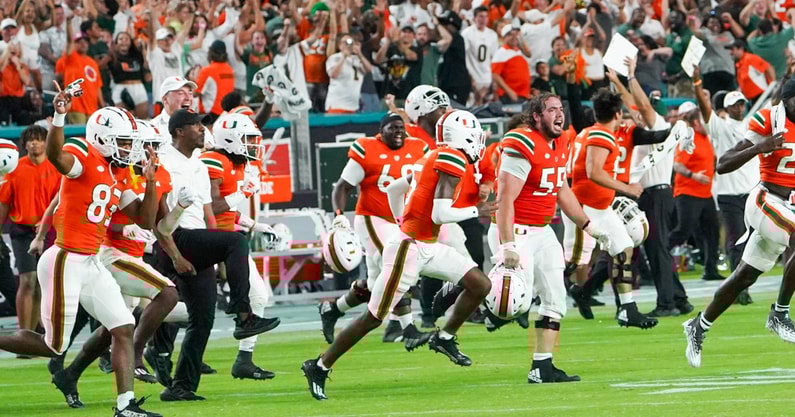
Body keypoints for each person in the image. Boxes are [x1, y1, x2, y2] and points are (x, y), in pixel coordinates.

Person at [301, 110, 494, 400]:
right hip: (409, 249)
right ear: (463, 136)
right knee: (374, 317)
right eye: (475, 134)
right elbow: (440, 214)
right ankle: (319, 365)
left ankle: (444, 337)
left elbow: (394, 188)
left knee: (480, 284)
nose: (479, 141)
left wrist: (399, 220)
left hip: (426, 244)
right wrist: (475, 211)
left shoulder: (432, 156)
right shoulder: (452, 158)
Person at [0, 87, 162, 417]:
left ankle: (125, 406)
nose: (129, 148)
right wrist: (59, 117)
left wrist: (150, 182)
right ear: (102, 138)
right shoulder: (84, 154)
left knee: (123, 326)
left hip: (91, 261)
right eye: (123, 141)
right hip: (65, 259)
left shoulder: (119, 173)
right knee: (53, 345)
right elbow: (57, 156)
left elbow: (145, 219)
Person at [152, 109, 279, 401]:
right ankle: (243, 314)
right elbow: (159, 215)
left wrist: (216, 254)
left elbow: (209, 212)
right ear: (179, 131)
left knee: (202, 319)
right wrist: (174, 254)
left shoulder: (198, 163)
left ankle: (181, 387)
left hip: (196, 238)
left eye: (202, 124)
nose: (202, 129)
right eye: (195, 125)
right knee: (236, 241)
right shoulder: (164, 161)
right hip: (176, 236)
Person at [492, 93, 609, 383]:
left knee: (556, 300)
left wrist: (588, 225)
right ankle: (468, 290)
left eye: (561, 108)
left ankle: (541, 366)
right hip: (517, 230)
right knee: (515, 305)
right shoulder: (523, 143)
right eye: (552, 109)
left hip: (543, 231)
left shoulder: (562, 141)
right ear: (536, 116)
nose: (559, 114)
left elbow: (562, 190)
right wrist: (508, 244)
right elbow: (505, 199)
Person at [683, 77, 795, 368]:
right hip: (766, 199)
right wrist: (760, 147)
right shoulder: (769, 120)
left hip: (788, 207)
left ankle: (698, 325)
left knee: (745, 276)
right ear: (786, 100)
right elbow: (723, 164)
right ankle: (780, 313)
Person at [318, 113, 430, 350]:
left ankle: (333, 309)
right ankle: (408, 328)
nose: (398, 132)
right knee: (399, 265)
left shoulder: (418, 147)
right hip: (373, 218)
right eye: (392, 128)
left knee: (375, 283)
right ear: (381, 131)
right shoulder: (367, 149)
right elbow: (342, 187)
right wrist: (339, 215)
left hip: (403, 221)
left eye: (401, 127)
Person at [199, 113, 282, 380]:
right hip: (203, 240)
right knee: (186, 308)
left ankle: (244, 359)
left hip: (228, 242)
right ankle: (157, 348)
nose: (252, 145)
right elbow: (209, 207)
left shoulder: (235, 164)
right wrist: (242, 193)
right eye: (247, 139)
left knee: (259, 295)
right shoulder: (213, 160)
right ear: (229, 139)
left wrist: (254, 225)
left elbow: (226, 211)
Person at [569, 88, 657, 329]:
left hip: (598, 205)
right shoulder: (602, 134)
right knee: (572, 262)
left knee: (623, 248)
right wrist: (627, 188)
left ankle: (628, 309)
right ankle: (522, 292)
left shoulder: (588, 131)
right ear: (618, 114)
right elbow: (594, 172)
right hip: (585, 205)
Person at [692, 66, 758, 298]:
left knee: (753, 243)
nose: (740, 108)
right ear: (727, 108)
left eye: (742, 104)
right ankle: (739, 289)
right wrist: (697, 83)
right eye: (735, 105)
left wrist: (787, 78)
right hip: (729, 194)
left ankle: (743, 284)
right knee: (736, 241)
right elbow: (704, 108)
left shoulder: (752, 125)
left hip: (752, 192)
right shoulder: (720, 127)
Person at [0, 126, 60, 347]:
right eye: (30, 140)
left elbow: (61, 201)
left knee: (43, 283)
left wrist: (47, 222)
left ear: (46, 142)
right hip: (22, 231)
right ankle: (23, 335)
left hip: (50, 231)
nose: (34, 143)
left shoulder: (56, 167)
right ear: (24, 144)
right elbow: (4, 203)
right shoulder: (14, 169)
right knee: (27, 280)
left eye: (39, 139)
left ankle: (35, 335)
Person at [669, 104, 721, 284]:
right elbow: (677, 165)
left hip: (705, 194)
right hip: (688, 193)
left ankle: (710, 269)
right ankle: (659, 255)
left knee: (712, 232)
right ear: (696, 122)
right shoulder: (688, 138)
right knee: (683, 231)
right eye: (704, 120)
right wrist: (693, 175)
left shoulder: (705, 137)